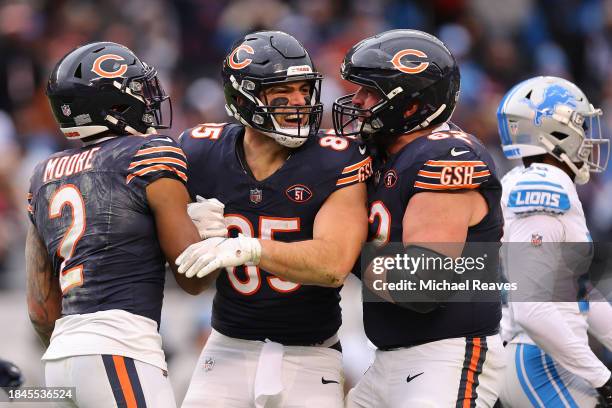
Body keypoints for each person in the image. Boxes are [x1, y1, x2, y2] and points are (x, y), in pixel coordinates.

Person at [175, 30, 370, 407]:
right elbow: (191, 283)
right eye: (283, 91)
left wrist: (249, 249)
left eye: (304, 89)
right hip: (225, 348)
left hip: (311, 354)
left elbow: (332, 265)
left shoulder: (336, 156)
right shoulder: (200, 151)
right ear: (243, 97)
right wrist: (190, 236)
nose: (299, 101)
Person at [25, 42, 210, 408]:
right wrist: (207, 234)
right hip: (119, 348)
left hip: (60, 357)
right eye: (139, 90)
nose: (149, 99)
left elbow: (41, 311)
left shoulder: (42, 174)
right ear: (112, 103)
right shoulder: (149, 152)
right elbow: (193, 278)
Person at [332, 29, 506, 407]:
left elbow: (422, 283)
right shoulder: (383, 153)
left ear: (410, 105)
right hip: (389, 359)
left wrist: (338, 254)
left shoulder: (446, 157)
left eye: (370, 92)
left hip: (445, 355)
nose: (356, 101)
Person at [496, 75, 612, 407]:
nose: (588, 138)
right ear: (556, 131)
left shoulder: (527, 179)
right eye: (582, 127)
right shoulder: (546, 186)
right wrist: (603, 378)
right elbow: (531, 308)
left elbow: (577, 291)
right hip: (538, 359)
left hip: (540, 355)